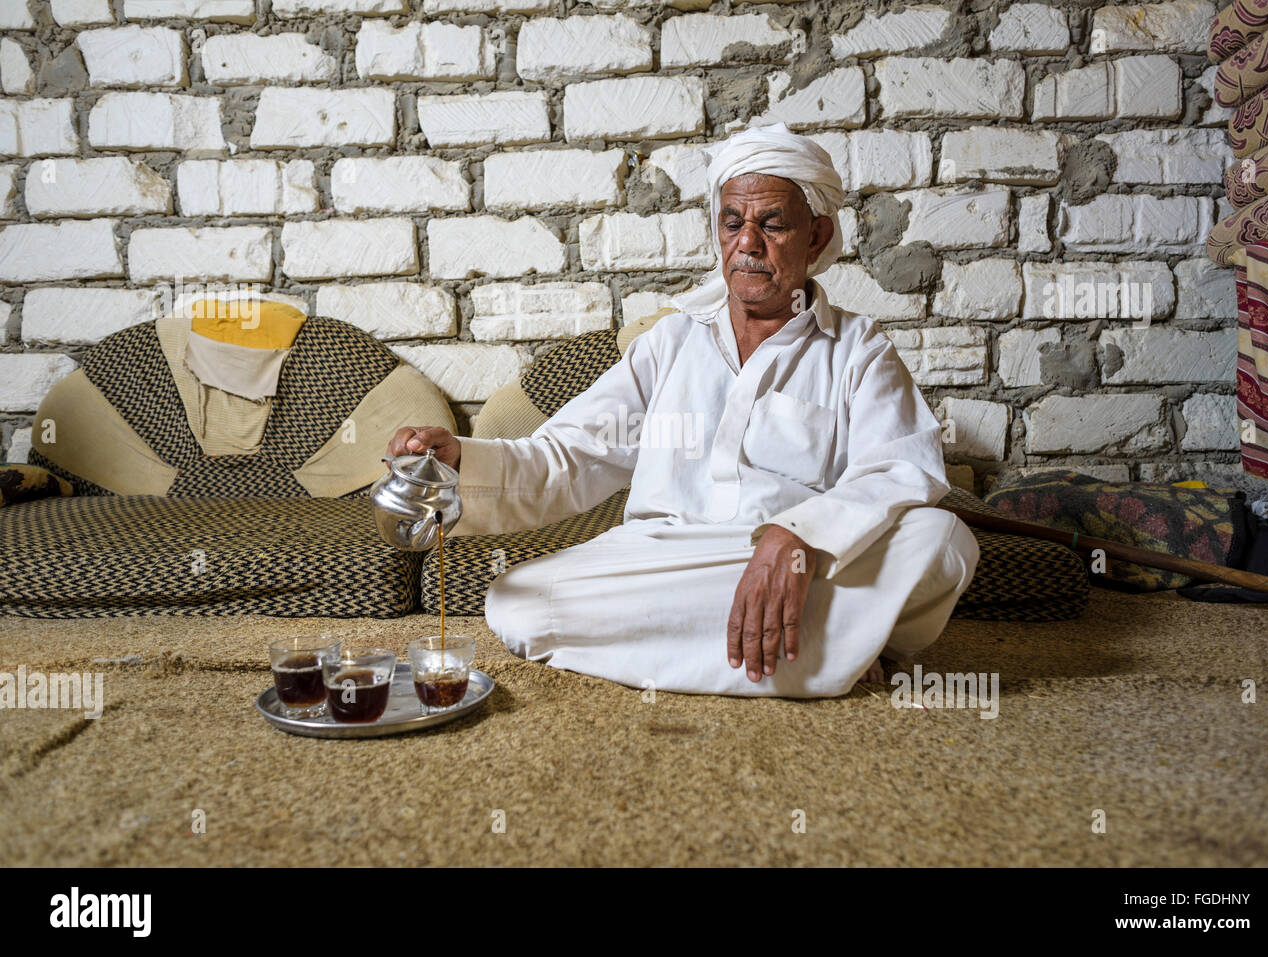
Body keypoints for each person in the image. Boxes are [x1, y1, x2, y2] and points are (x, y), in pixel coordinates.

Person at [389, 123, 979, 697]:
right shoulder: (669, 344)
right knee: (516, 602)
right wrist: (459, 457)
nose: (747, 243)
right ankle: (829, 649)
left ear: (817, 236)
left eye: (772, 224)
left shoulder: (859, 350)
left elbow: (900, 470)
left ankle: (796, 637)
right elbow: (565, 458)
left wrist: (796, 535)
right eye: (732, 223)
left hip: (798, 564)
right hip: (665, 558)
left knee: (942, 541)